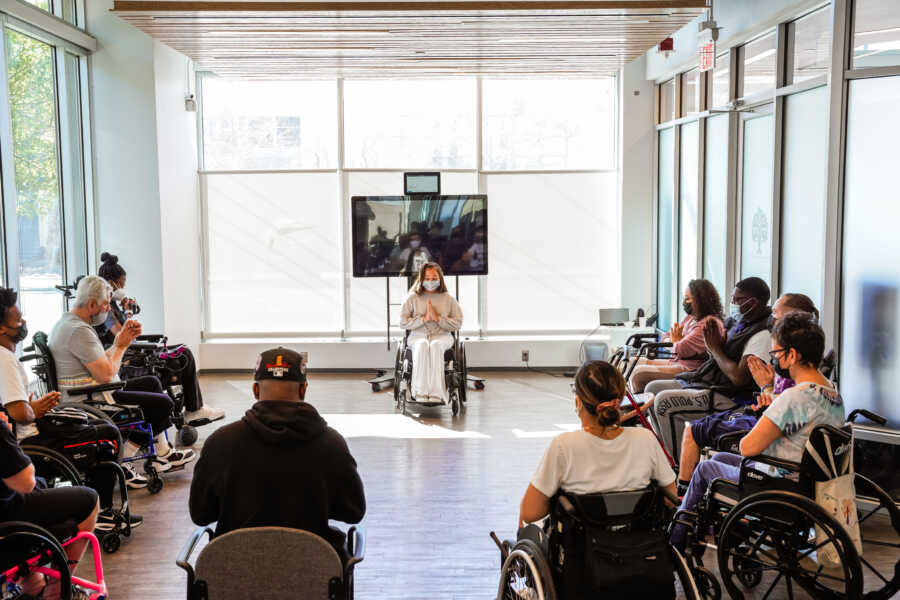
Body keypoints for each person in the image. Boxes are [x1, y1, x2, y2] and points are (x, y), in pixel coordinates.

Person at [670, 313, 845, 549]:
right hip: (808, 480)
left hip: (776, 482)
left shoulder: (793, 398)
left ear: (792, 355)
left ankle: (677, 536)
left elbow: (748, 447)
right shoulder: (832, 392)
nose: (773, 360)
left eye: (776, 354)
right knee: (721, 458)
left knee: (705, 468)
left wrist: (770, 409)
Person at [189, 347, 365, 559]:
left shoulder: (220, 442)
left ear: (255, 390)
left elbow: (200, 514)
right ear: (303, 390)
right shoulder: (332, 444)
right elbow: (353, 511)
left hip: (234, 575)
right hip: (312, 577)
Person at [0, 286, 143, 531]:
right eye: (18, 318)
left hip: (36, 425)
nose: (24, 322)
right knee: (107, 435)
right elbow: (20, 413)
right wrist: (33, 408)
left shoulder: (71, 326)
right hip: (30, 438)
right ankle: (103, 510)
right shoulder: (4, 358)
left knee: (103, 427)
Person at [673, 293, 820, 492]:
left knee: (695, 438)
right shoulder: (824, 390)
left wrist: (766, 387)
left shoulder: (793, 380)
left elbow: (750, 445)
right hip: (775, 436)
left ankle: (681, 498)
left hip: (774, 462)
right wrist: (768, 386)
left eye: (775, 313)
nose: (771, 317)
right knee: (718, 458)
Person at [48, 275, 194, 474]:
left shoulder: (69, 323)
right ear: (92, 304)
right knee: (164, 404)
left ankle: (162, 451)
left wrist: (119, 341)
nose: (108, 309)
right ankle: (125, 456)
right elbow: (106, 375)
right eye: (106, 305)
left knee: (151, 383)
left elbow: (101, 362)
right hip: (92, 397)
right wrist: (122, 344)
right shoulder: (79, 331)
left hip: (93, 390)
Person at [519, 361, 676, 531]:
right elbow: (671, 497)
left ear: (578, 402)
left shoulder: (564, 446)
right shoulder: (645, 439)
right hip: (638, 546)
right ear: (620, 400)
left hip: (583, 549)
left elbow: (530, 513)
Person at [645, 277, 773, 460]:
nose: (732, 304)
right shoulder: (738, 324)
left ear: (752, 303)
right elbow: (721, 356)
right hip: (712, 382)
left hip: (731, 396)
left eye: (736, 300)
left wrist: (715, 349)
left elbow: (738, 378)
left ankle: (679, 468)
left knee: (665, 402)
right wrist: (716, 347)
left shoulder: (762, 334)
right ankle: (666, 453)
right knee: (652, 389)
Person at [97, 252, 224, 424]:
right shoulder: (105, 308)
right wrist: (127, 311)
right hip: (127, 358)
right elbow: (121, 334)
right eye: (122, 284)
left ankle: (195, 408)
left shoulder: (111, 305)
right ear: (112, 283)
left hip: (129, 352)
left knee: (183, 351)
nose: (123, 288)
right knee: (183, 354)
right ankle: (194, 409)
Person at [0, 410, 99, 600]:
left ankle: (34, 583)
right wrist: (8, 437)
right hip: (7, 526)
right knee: (90, 500)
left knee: (41, 485)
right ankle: (57, 591)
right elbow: (25, 482)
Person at [629, 279, 725, 393]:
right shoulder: (690, 318)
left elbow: (680, 349)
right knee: (632, 361)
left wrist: (676, 342)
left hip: (691, 369)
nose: (684, 302)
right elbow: (666, 337)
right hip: (677, 361)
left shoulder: (708, 324)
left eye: (688, 298)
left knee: (638, 374)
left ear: (701, 300)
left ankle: (641, 408)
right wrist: (675, 341)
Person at [399, 262, 463, 403]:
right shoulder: (412, 298)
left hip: (442, 336)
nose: (430, 281)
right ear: (421, 279)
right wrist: (424, 319)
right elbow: (403, 322)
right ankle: (419, 392)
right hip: (418, 335)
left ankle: (436, 393)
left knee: (435, 346)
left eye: (434, 278)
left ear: (440, 278)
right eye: (427, 278)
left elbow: (458, 323)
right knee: (422, 345)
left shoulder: (449, 298)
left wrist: (438, 319)